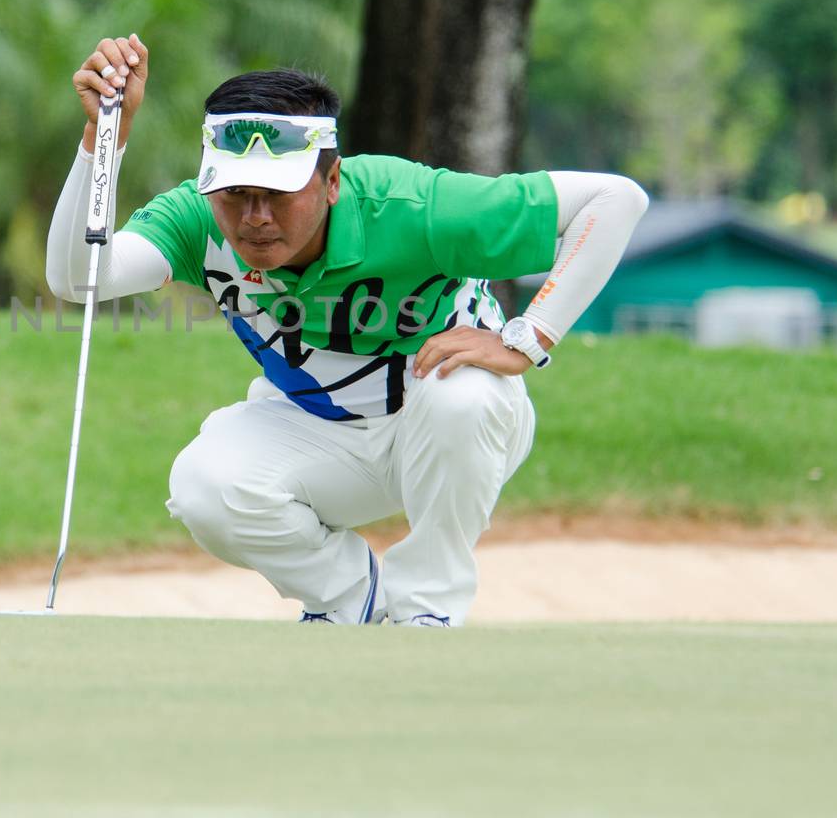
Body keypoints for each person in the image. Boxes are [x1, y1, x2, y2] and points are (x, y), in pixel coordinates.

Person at [46, 34, 649, 627]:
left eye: (277, 194)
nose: (254, 218)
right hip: (321, 435)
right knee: (206, 486)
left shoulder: (414, 205)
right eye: (235, 194)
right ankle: (351, 602)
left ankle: (427, 611)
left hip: (444, 425)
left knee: (461, 398)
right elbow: (79, 278)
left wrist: (528, 337)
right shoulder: (193, 220)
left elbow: (613, 200)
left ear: (331, 182)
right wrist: (103, 145)